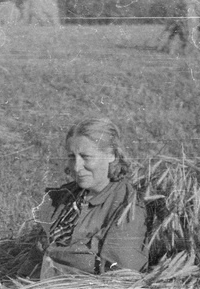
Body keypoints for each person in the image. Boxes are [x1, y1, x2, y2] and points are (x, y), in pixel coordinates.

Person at [24, 117, 149, 279]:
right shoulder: (65, 197)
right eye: (71, 157)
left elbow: (122, 277)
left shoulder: (127, 207)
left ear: (111, 155)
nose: (76, 167)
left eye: (86, 157)